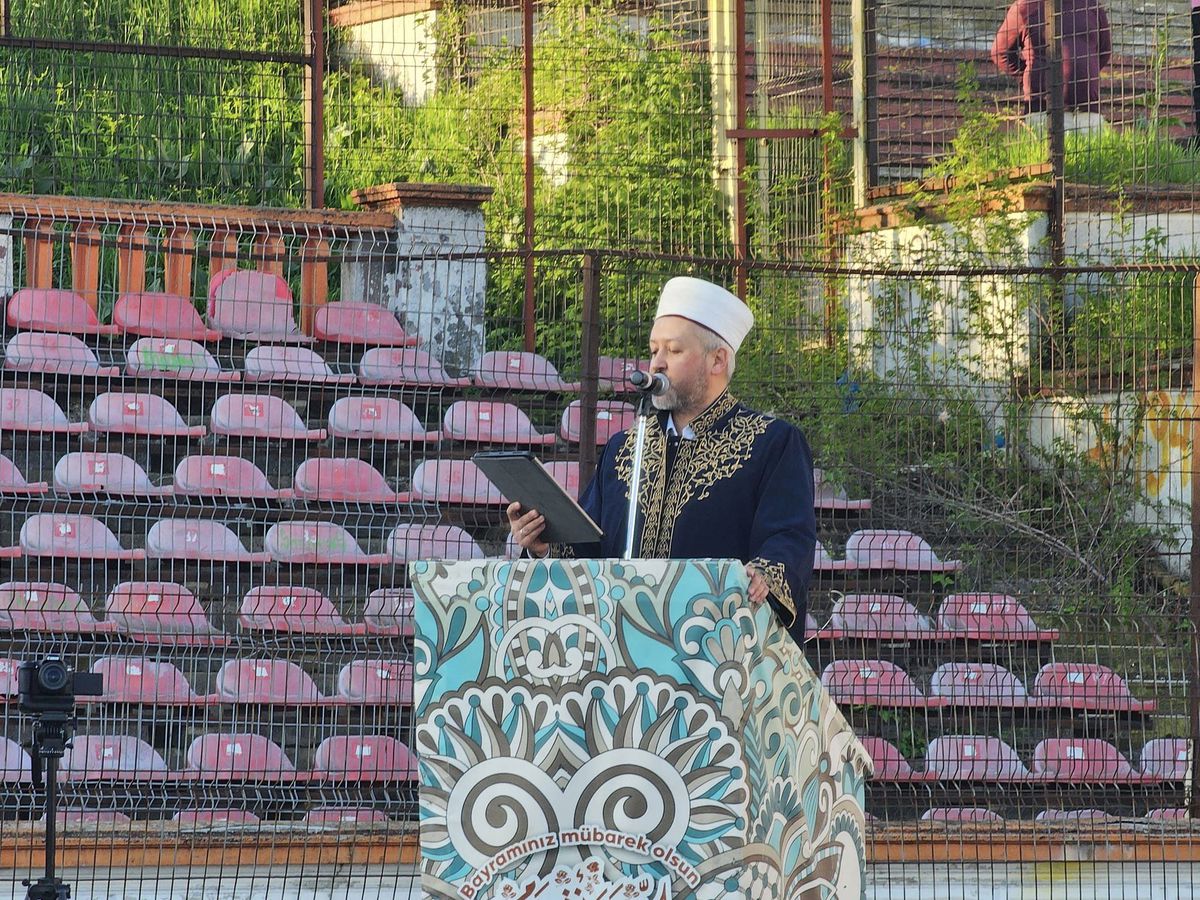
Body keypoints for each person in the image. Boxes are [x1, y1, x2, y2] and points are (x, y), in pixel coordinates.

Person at [507, 276, 817, 645]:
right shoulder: (625, 448)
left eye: (673, 350)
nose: (657, 364)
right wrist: (544, 542)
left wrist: (765, 573)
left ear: (717, 360)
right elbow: (591, 547)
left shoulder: (772, 442)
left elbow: (789, 536)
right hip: (622, 651)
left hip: (716, 651)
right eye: (654, 350)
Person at [991, 0, 1112, 114]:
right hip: (1041, 107)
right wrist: (1030, 73)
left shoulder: (1091, 4)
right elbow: (1000, 52)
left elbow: (1104, 50)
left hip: (1087, 107)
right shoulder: (1025, 6)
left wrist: (1084, 73)